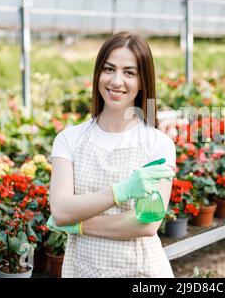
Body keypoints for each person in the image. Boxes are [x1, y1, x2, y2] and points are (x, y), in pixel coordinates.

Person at [47, 31, 176, 278]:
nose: (117, 81)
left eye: (129, 72)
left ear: (142, 81)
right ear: (98, 74)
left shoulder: (158, 144)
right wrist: (122, 191)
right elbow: (61, 210)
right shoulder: (69, 139)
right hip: (83, 269)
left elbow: (147, 223)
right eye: (109, 69)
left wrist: (79, 225)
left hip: (142, 271)